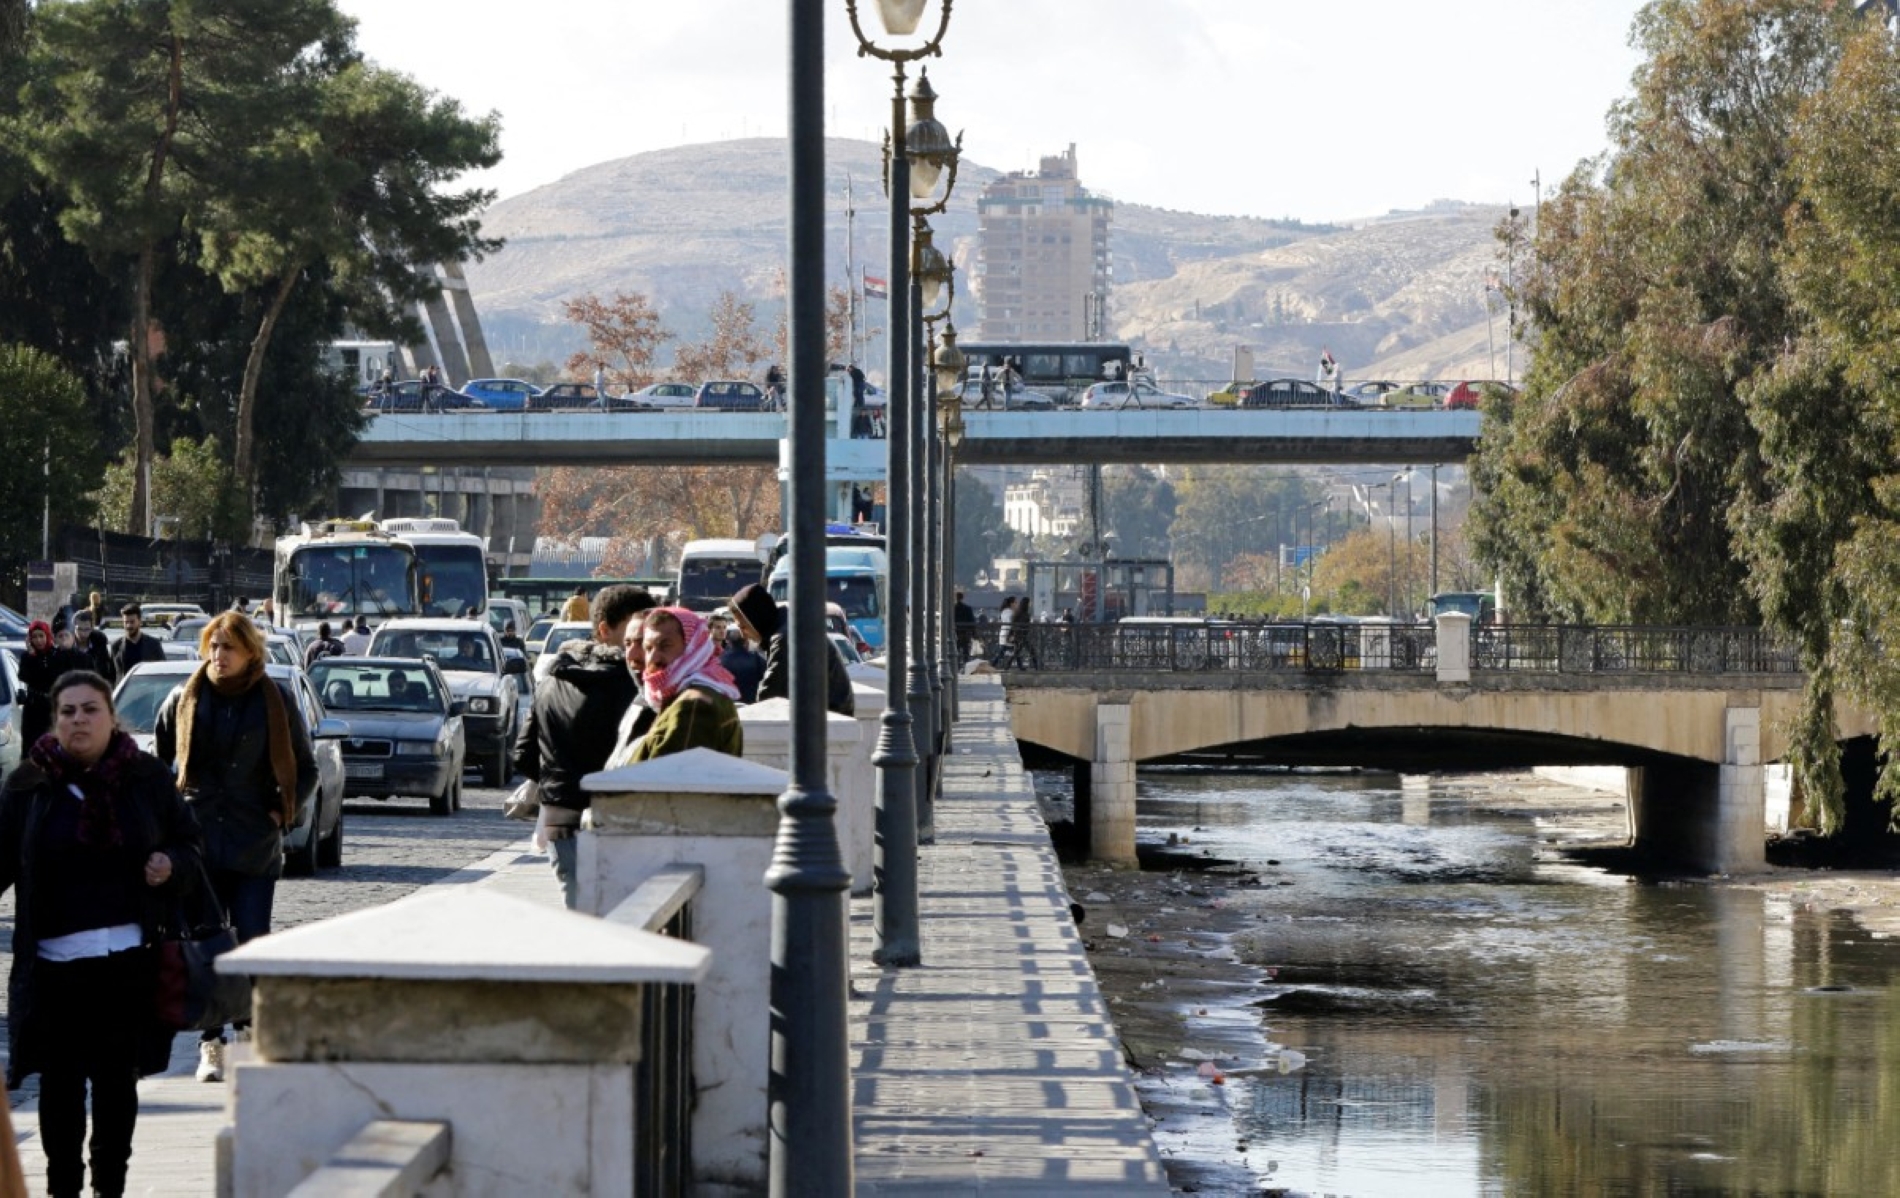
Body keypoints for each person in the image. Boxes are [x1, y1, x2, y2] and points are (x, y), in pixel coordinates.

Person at [0, 670, 204, 1198]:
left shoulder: (146, 778)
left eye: (90, 709)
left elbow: (190, 844)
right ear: (54, 721)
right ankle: (62, 1187)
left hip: (127, 963)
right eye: (68, 711)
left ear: (112, 718)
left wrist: (170, 865)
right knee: (60, 1088)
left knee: (116, 1086)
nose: (79, 720)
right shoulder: (28, 786)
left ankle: (110, 1188)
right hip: (53, 968)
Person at [153, 612, 317, 1085]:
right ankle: (212, 1043)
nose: (218, 655)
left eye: (227, 647)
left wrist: (279, 815)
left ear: (250, 652)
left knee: (251, 940)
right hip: (198, 841)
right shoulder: (184, 697)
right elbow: (160, 763)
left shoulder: (274, 699)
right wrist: (170, 816)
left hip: (253, 844)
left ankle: (248, 1032)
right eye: (213, 645)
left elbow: (305, 769)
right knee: (207, 943)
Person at [512, 585, 654, 909]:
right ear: (605, 629)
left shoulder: (551, 681)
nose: (645, 641)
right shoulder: (635, 688)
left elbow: (523, 756)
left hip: (560, 820)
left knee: (580, 917)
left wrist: (560, 781)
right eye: (635, 630)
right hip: (623, 821)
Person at [618, 607, 742, 763]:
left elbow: (670, 773)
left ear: (692, 646)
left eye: (665, 646)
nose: (653, 658)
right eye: (648, 648)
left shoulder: (694, 705)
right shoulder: (683, 695)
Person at [730, 582, 854, 715]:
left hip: (827, 716)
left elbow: (770, 695)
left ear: (755, 619)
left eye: (743, 627)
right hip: (830, 712)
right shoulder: (788, 626)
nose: (743, 635)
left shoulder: (784, 638)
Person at [17, 621, 87, 750]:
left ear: (47, 636)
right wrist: (32, 656)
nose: (38, 640)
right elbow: (24, 676)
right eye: (34, 637)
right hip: (33, 709)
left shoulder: (56, 654)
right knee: (32, 747)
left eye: (41, 636)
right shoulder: (27, 657)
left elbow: (58, 674)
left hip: (53, 707)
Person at [108, 603, 166, 680]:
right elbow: (111, 676)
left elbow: (163, 671)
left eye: (132, 622)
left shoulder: (153, 645)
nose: (129, 626)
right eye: (126, 622)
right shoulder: (116, 646)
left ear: (139, 621)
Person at [720, 625, 766, 704]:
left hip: (729, 705)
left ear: (727, 640)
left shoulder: (719, 660)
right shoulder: (756, 658)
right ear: (746, 639)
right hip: (751, 704)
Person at [71, 610, 114, 684]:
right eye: (79, 629)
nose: (83, 633)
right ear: (74, 628)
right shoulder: (68, 645)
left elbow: (106, 670)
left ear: (92, 628)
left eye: (87, 629)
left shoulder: (99, 643)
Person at [953, 590, 976, 666]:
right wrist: (974, 633)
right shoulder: (967, 608)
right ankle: (965, 665)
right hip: (965, 633)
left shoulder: (952, 609)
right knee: (965, 650)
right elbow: (972, 621)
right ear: (962, 598)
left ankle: (956, 665)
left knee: (955, 650)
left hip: (955, 632)